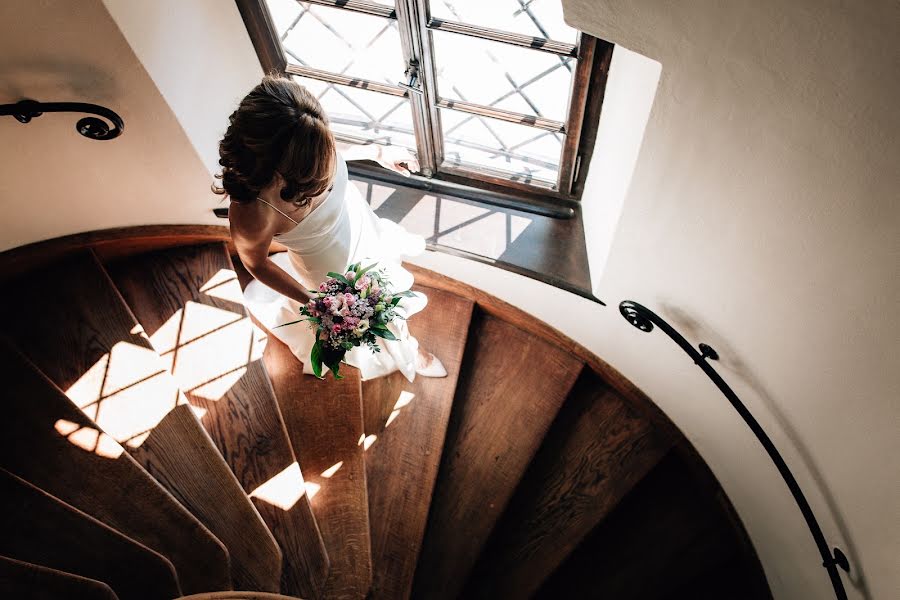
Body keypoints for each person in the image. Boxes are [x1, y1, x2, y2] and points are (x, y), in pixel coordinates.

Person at [214, 74, 445, 381]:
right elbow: (254, 263)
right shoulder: (252, 214)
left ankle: (406, 347)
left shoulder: (308, 138)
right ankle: (408, 352)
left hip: (362, 227)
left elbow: (330, 149)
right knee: (371, 312)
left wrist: (376, 152)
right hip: (329, 266)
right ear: (286, 171)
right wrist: (313, 303)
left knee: (388, 285)